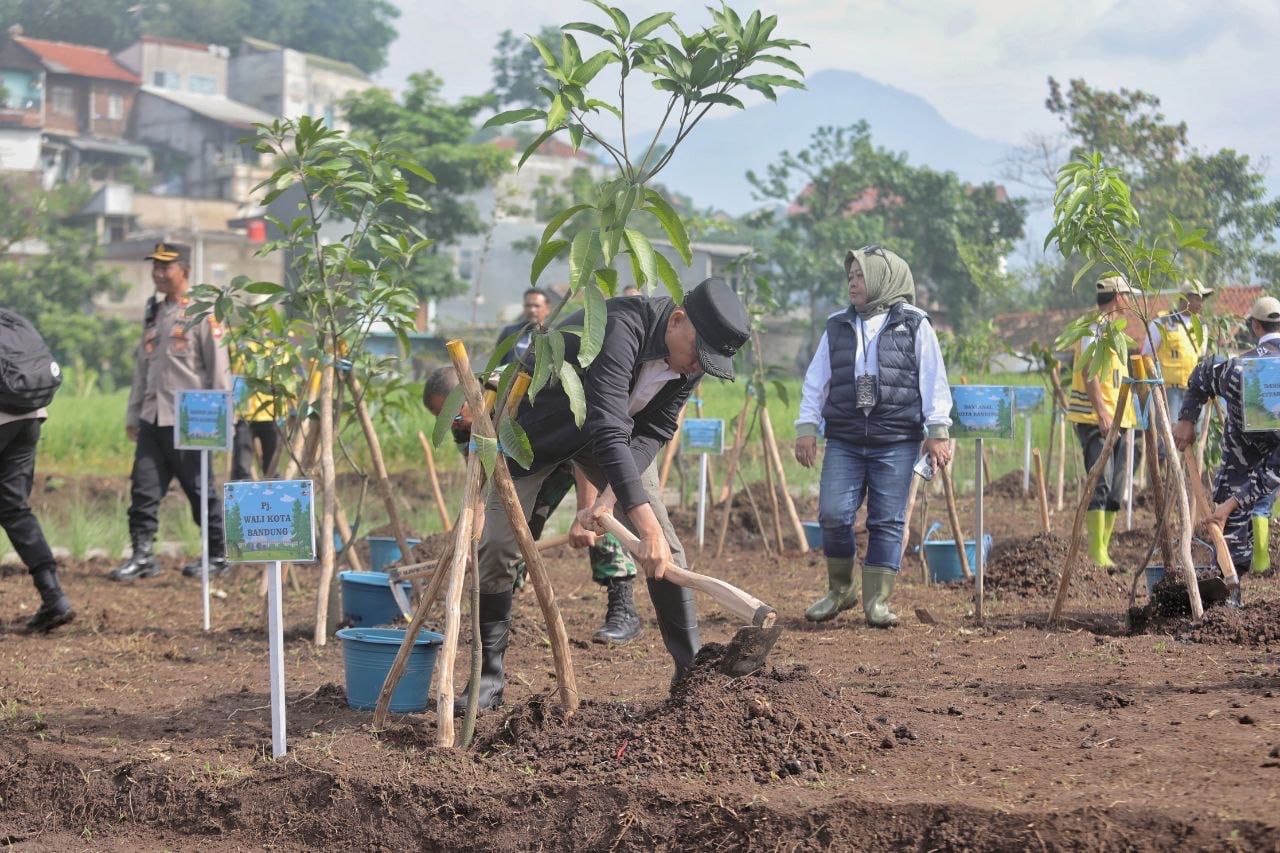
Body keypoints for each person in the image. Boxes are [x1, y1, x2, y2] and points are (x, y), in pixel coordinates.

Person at [456, 277, 750, 715]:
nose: (695, 368)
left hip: (606, 442)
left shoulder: (690, 362)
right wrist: (641, 523)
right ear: (678, 320)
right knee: (497, 547)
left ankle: (691, 675)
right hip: (535, 433)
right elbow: (608, 424)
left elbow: (652, 430)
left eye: (707, 362)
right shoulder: (618, 326)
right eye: (698, 354)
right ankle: (488, 679)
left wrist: (613, 498)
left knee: (667, 548)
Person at [422, 367, 642, 644]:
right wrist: (474, 539)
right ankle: (500, 614)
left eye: (453, 415)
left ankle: (623, 608)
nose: (452, 424)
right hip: (531, 464)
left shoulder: (521, 394)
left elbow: (582, 448)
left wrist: (582, 513)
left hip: (577, 448)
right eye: (443, 419)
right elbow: (481, 487)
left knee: (598, 517)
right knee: (507, 532)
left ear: (470, 393)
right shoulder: (466, 427)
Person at [794, 246, 953, 627]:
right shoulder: (836, 325)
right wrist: (806, 427)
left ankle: (877, 602)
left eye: (861, 276)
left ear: (884, 279)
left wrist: (938, 431)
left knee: (888, 520)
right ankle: (840, 590)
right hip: (845, 439)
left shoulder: (915, 324)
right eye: (850, 276)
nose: (853, 282)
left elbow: (934, 379)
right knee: (832, 513)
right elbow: (817, 380)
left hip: (896, 439)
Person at [110, 242, 233, 582]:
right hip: (153, 418)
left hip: (193, 421)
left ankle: (219, 555)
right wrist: (134, 415)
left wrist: (224, 424)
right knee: (143, 489)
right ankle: (143, 556)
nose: (158, 274)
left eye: (166, 267)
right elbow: (142, 371)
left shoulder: (203, 312)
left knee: (199, 489)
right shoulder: (154, 313)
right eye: (155, 267)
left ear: (185, 271)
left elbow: (220, 372)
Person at [1173, 295, 1280, 597]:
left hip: (1251, 455)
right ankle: (1229, 594)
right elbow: (1204, 374)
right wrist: (1187, 419)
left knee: (1229, 512)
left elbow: (1204, 371)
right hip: (1241, 452)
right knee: (1229, 524)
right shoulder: (1243, 372)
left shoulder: (1236, 371)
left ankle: (1232, 581)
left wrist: (1232, 503)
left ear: (1255, 326)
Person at [0, 311, 74, 632]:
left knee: (13, 508)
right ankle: (54, 597)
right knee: (14, 508)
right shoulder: (8, 318)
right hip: (28, 417)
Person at [1065, 275, 1138, 568]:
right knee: (1101, 482)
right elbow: (1090, 375)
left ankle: (1104, 549)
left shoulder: (1117, 333)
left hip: (1122, 419)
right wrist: (1102, 414)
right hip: (1097, 419)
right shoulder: (1093, 330)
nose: (1131, 302)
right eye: (1128, 296)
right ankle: (1096, 552)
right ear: (1118, 297)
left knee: (1118, 487)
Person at [1142, 280, 1212, 426]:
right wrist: (1150, 388)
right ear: (1185, 299)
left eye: (1202, 300)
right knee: (1169, 431)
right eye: (1197, 298)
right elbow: (1146, 355)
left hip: (1193, 390)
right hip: (1169, 390)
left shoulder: (1202, 326)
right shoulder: (1162, 322)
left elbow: (1201, 355)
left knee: (1192, 432)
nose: (1201, 303)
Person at [230, 343, 281, 482]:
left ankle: (274, 500)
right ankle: (240, 501)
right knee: (241, 465)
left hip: (270, 413)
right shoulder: (239, 345)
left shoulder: (278, 347)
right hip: (244, 416)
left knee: (272, 467)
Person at [496, 287, 552, 366]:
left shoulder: (553, 336)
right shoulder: (509, 332)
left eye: (536, 306)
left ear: (548, 308)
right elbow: (500, 362)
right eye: (528, 305)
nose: (532, 310)